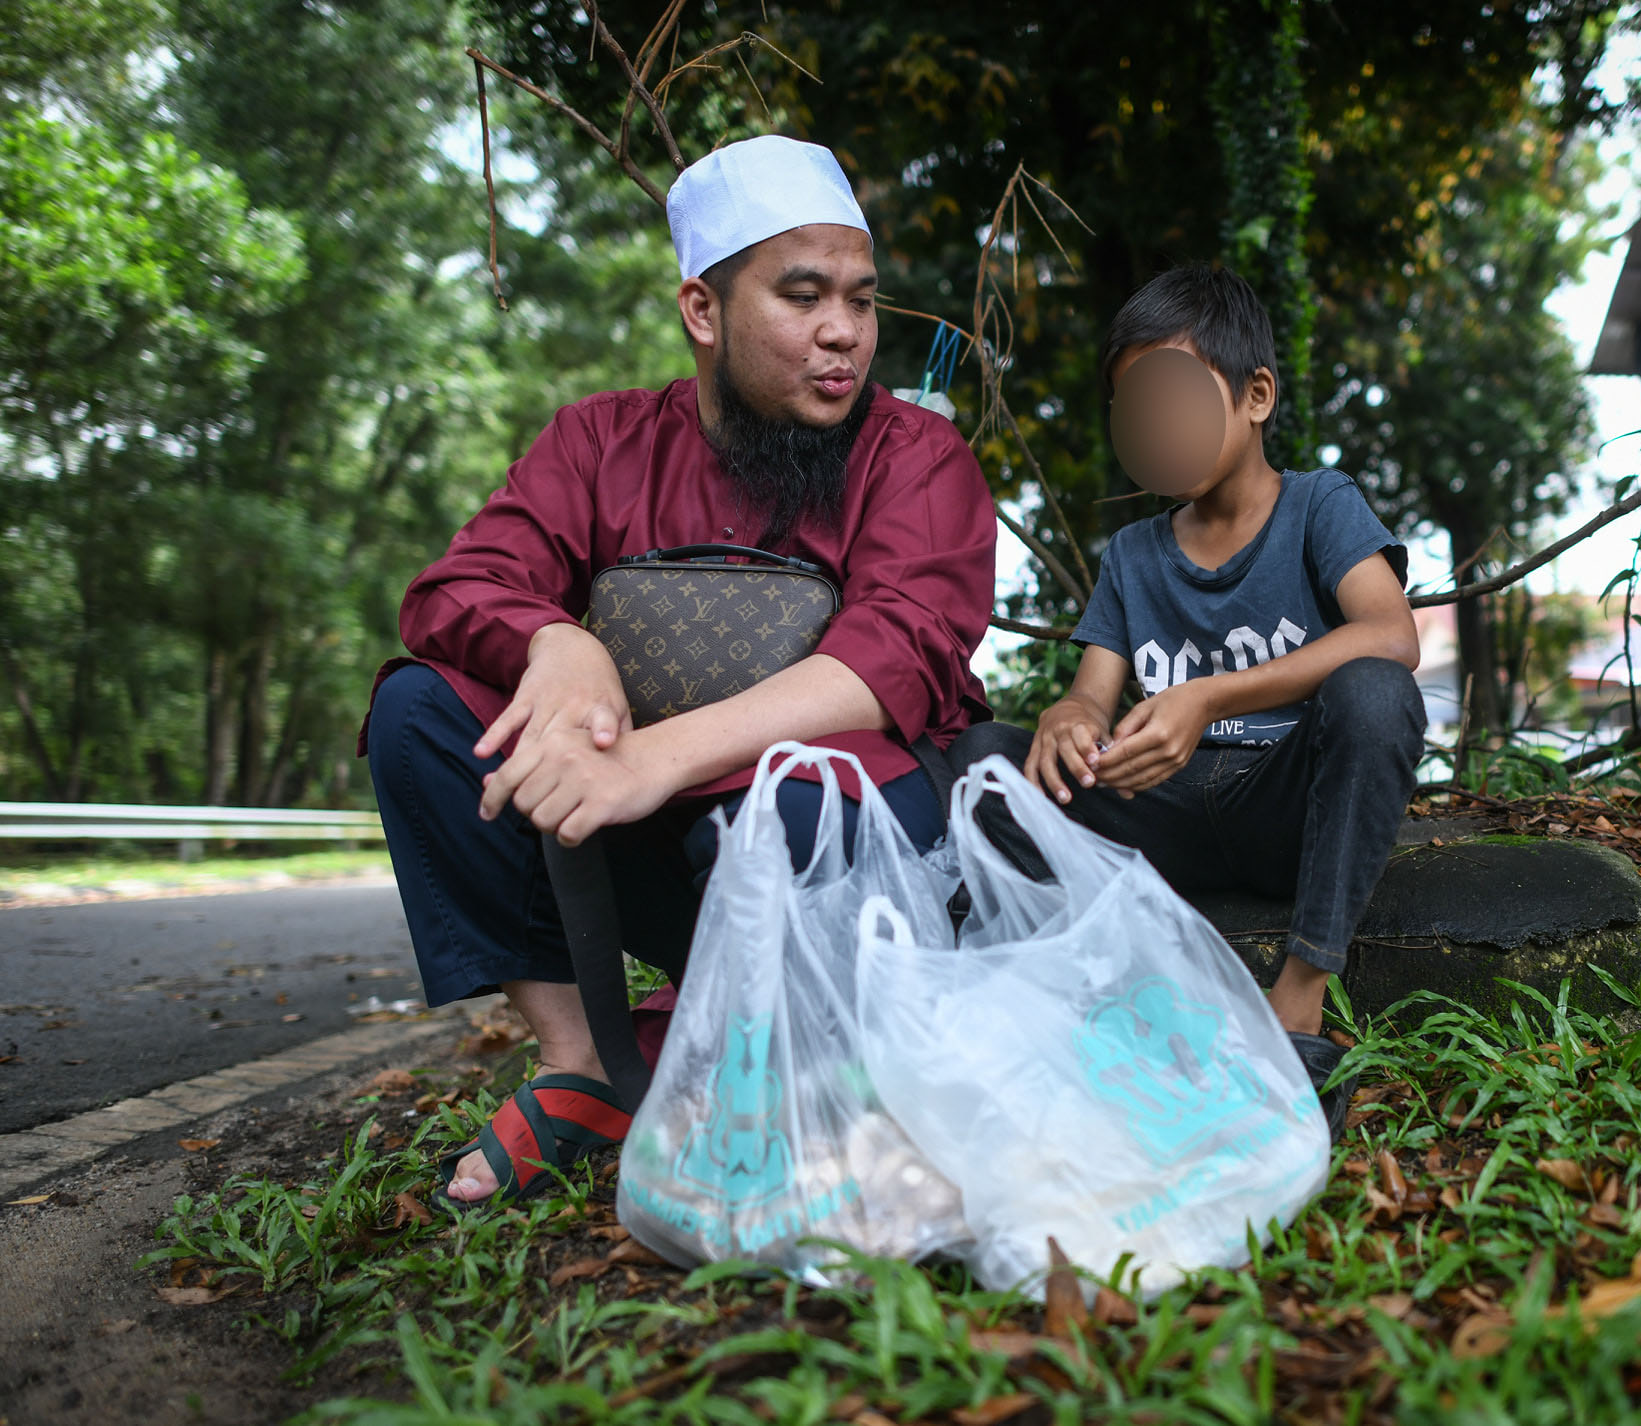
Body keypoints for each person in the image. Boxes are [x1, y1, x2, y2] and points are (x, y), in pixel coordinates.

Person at [363, 135, 996, 1207]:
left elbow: (903, 640)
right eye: (801, 296)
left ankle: (729, 1060)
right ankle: (586, 1061)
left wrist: (652, 757)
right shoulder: (597, 442)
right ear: (701, 310)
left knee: (821, 785)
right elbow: (454, 588)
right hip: (632, 849)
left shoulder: (914, 456)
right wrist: (558, 645)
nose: (843, 333)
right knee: (418, 712)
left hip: (833, 852)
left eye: (859, 298)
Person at [951, 264, 1425, 1132]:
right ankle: (1073, 987)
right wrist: (1069, 720)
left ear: (1253, 395)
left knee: (1373, 692)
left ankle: (1302, 992)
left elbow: (1392, 635)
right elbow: (1091, 695)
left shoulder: (1320, 504)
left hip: (1285, 812)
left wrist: (1206, 697)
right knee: (983, 758)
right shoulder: (1133, 553)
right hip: (1160, 818)